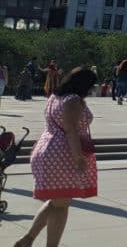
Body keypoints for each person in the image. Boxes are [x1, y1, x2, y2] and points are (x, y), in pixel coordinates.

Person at [18, 67, 99, 247]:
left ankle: (27, 240)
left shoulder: (55, 97)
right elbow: (71, 130)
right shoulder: (73, 100)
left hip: (47, 149)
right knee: (61, 205)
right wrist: (79, 157)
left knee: (56, 201)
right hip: (62, 154)